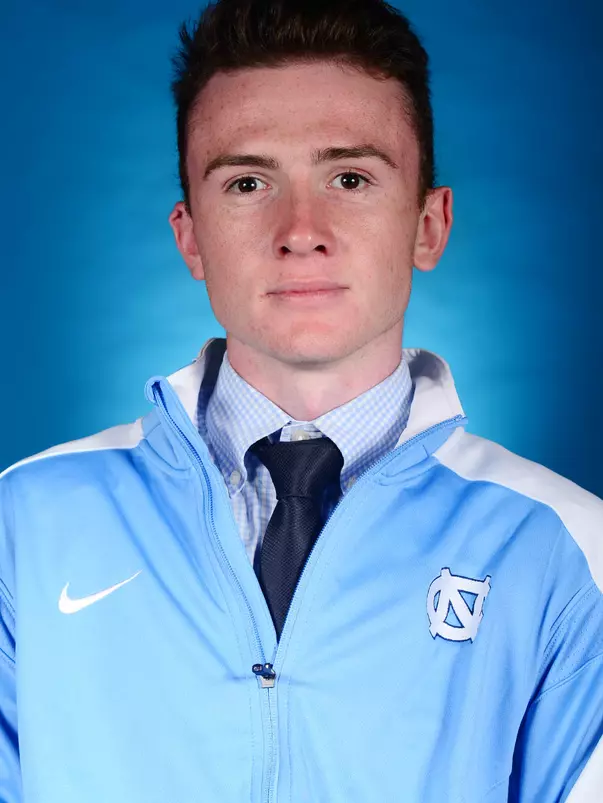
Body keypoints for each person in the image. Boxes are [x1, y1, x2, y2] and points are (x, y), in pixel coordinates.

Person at [1, 0, 602, 800]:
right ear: (190, 236)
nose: (300, 230)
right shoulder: (24, 525)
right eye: (248, 182)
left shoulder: (571, 550)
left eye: (349, 178)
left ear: (427, 225)